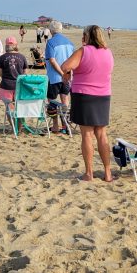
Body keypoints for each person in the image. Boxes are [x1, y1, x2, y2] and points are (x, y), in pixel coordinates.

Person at [61, 25, 114, 182]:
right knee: (102, 134)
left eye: (84, 34)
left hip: (84, 95)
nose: (82, 37)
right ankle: (108, 173)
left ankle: (89, 173)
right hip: (103, 95)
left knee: (87, 135)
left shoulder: (83, 51)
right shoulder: (108, 52)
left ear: (88, 36)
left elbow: (65, 66)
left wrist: (68, 74)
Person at [44, 21, 74, 133]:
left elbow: (52, 60)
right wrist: (67, 74)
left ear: (51, 30)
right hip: (67, 76)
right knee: (65, 100)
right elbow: (72, 61)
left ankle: (56, 126)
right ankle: (65, 125)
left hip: (54, 77)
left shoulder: (51, 42)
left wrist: (61, 73)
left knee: (52, 101)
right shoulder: (69, 42)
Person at [0, 36, 27, 107]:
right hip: (19, 84)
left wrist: (5, 77)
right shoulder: (22, 57)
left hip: (6, 85)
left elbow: (0, 72)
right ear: (16, 45)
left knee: (9, 107)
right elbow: (25, 72)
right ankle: (18, 118)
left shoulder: (2, 57)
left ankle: (10, 118)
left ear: (6, 46)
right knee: (18, 106)